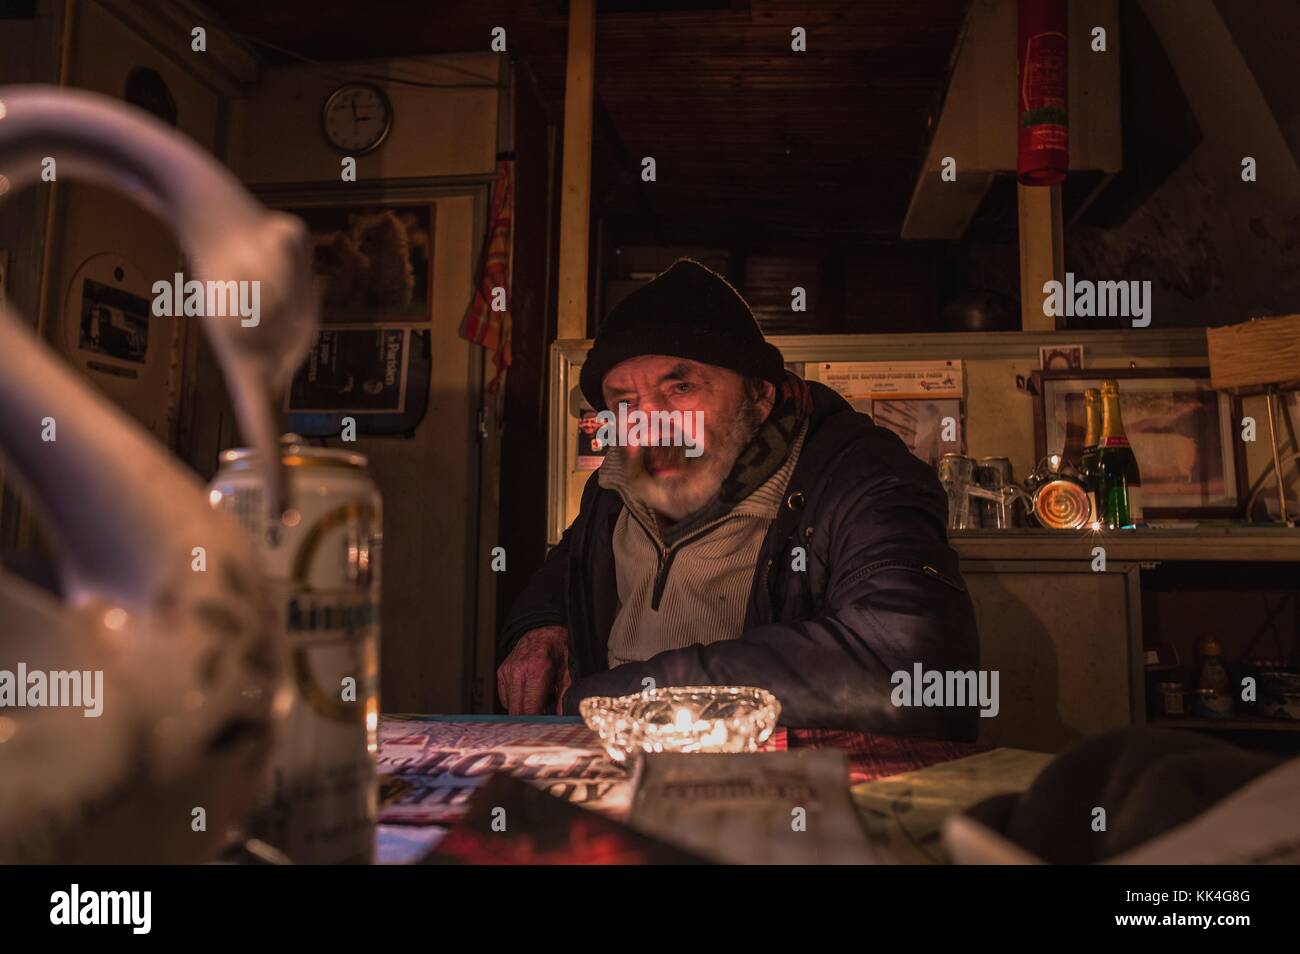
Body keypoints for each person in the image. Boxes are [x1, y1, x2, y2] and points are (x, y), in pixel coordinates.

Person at [497, 259, 980, 740]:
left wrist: (624, 697)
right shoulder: (615, 486)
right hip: (615, 759)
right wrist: (541, 629)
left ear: (761, 396)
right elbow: (570, 569)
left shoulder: (857, 479)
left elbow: (913, 671)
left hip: (785, 785)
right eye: (625, 403)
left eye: (680, 387)